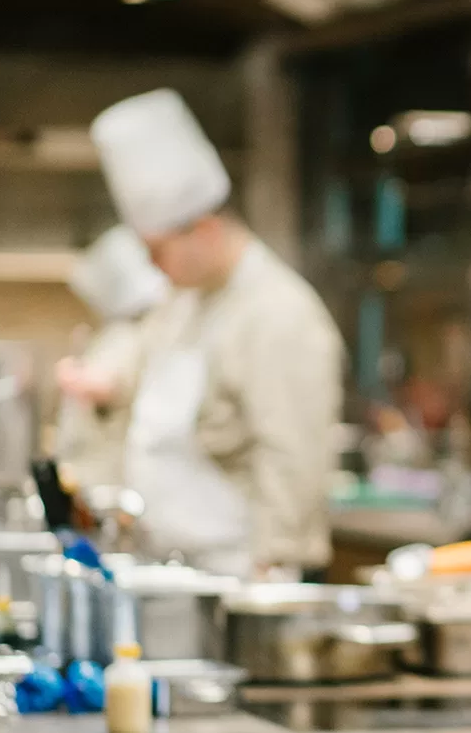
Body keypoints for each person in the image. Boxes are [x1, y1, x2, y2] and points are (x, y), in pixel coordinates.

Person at [90, 88, 344, 580]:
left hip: (239, 572)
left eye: (156, 251)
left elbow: (295, 455)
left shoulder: (280, 314)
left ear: (203, 230)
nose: (152, 268)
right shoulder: (184, 302)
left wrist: (272, 563)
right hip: (171, 563)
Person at [53, 225, 170, 487]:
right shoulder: (123, 331)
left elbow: (109, 386)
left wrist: (74, 376)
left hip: (106, 479)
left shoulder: (135, 334)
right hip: (90, 474)